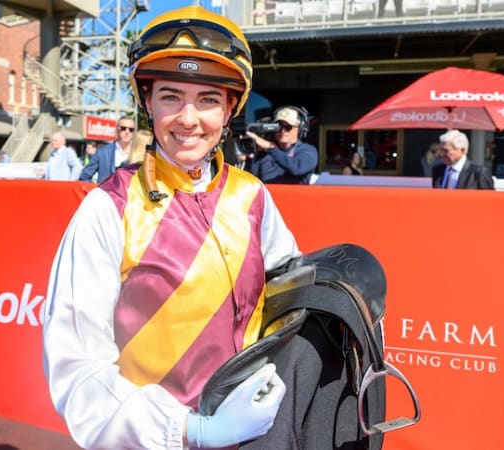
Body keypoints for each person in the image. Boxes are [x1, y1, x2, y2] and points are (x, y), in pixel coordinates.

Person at [41, 6, 331, 449]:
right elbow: (77, 369)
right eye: (171, 96)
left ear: (231, 107)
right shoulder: (108, 208)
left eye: (209, 100)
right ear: (147, 102)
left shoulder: (253, 197)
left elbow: (287, 296)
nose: (189, 119)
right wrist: (188, 430)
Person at [248, 105, 318, 184]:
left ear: (300, 128)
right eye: (279, 126)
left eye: (288, 127)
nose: (282, 130)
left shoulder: (308, 150)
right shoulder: (265, 152)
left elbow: (297, 168)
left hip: (295, 196)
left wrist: (271, 147)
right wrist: (247, 158)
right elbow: (253, 180)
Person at [78, 117, 136, 183]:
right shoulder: (102, 152)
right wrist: (96, 191)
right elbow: (84, 177)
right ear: (116, 130)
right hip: (106, 192)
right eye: (123, 128)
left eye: (131, 129)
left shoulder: (139, 153)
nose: (127, 132)